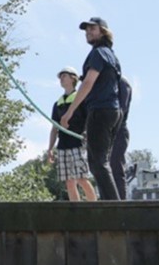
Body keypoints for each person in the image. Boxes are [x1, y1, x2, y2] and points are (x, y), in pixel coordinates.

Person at [61, 17, 122, 200]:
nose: (88, 32)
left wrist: (69, 112)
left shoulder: (98, 53)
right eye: (86, 29)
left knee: (97, 162)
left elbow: (88, 83)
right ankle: (112, 204)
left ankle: (114, 208)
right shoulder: (111, 55)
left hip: (101, 110)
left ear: (103, 31)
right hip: (113, 111)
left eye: (92, 28)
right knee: (99, 161)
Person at [47, 67, 96, 201]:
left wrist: (87, 133)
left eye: (64, 76)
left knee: (82, 178)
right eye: (60, 76)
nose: (61, 79)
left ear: (73, 78)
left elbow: (89, 119)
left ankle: (94, 208)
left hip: (78, 143)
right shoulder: (57, 104)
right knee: (69, 181)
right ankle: (78, 211)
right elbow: (54, 128)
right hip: (62, 145)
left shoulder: (81, 99)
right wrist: (50, 148)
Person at [109, 75, 133, 200]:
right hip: (107, 132)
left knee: (116, 166)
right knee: (105, 169)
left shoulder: (122, 83)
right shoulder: (107, 84)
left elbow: (121, 109)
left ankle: (120, 203)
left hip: (118, 130)